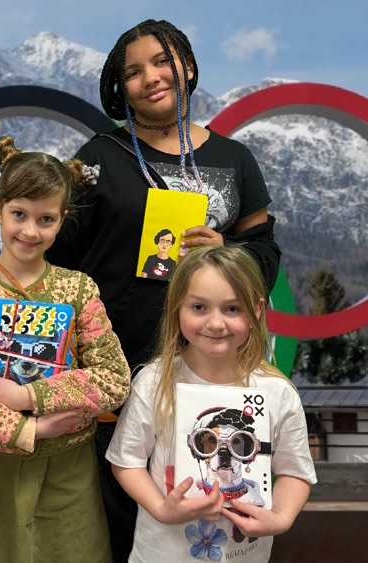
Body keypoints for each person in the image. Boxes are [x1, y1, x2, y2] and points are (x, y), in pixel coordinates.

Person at [47, 18, 282, 561]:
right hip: (122, 361)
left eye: (162, 61)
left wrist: (226, 251)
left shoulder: (235, 159)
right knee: (125, 504)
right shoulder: (97, 159)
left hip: (215, 366)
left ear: (188, 67)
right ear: (119, 87)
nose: (151, 77)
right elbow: (59, 263)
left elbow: (266, 252)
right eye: (133, 71)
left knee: (215, 498)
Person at [0, 135, 131, 563]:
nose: (30, 231)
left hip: (72, 468)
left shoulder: (77, 289)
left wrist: (28, 396)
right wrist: (29, 429)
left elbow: (114, 379)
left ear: (62, 220)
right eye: (19, 214)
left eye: (46, 219)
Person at [106, 245, 316, 562]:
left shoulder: (277, 392)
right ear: (177, 308)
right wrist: (161, 508)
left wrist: (282, 517)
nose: (216, 323)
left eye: (232, 309)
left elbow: (294, 471)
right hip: (161, 554)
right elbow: (127, 460)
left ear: (257, 309)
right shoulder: (153, 382)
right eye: (199, 307)